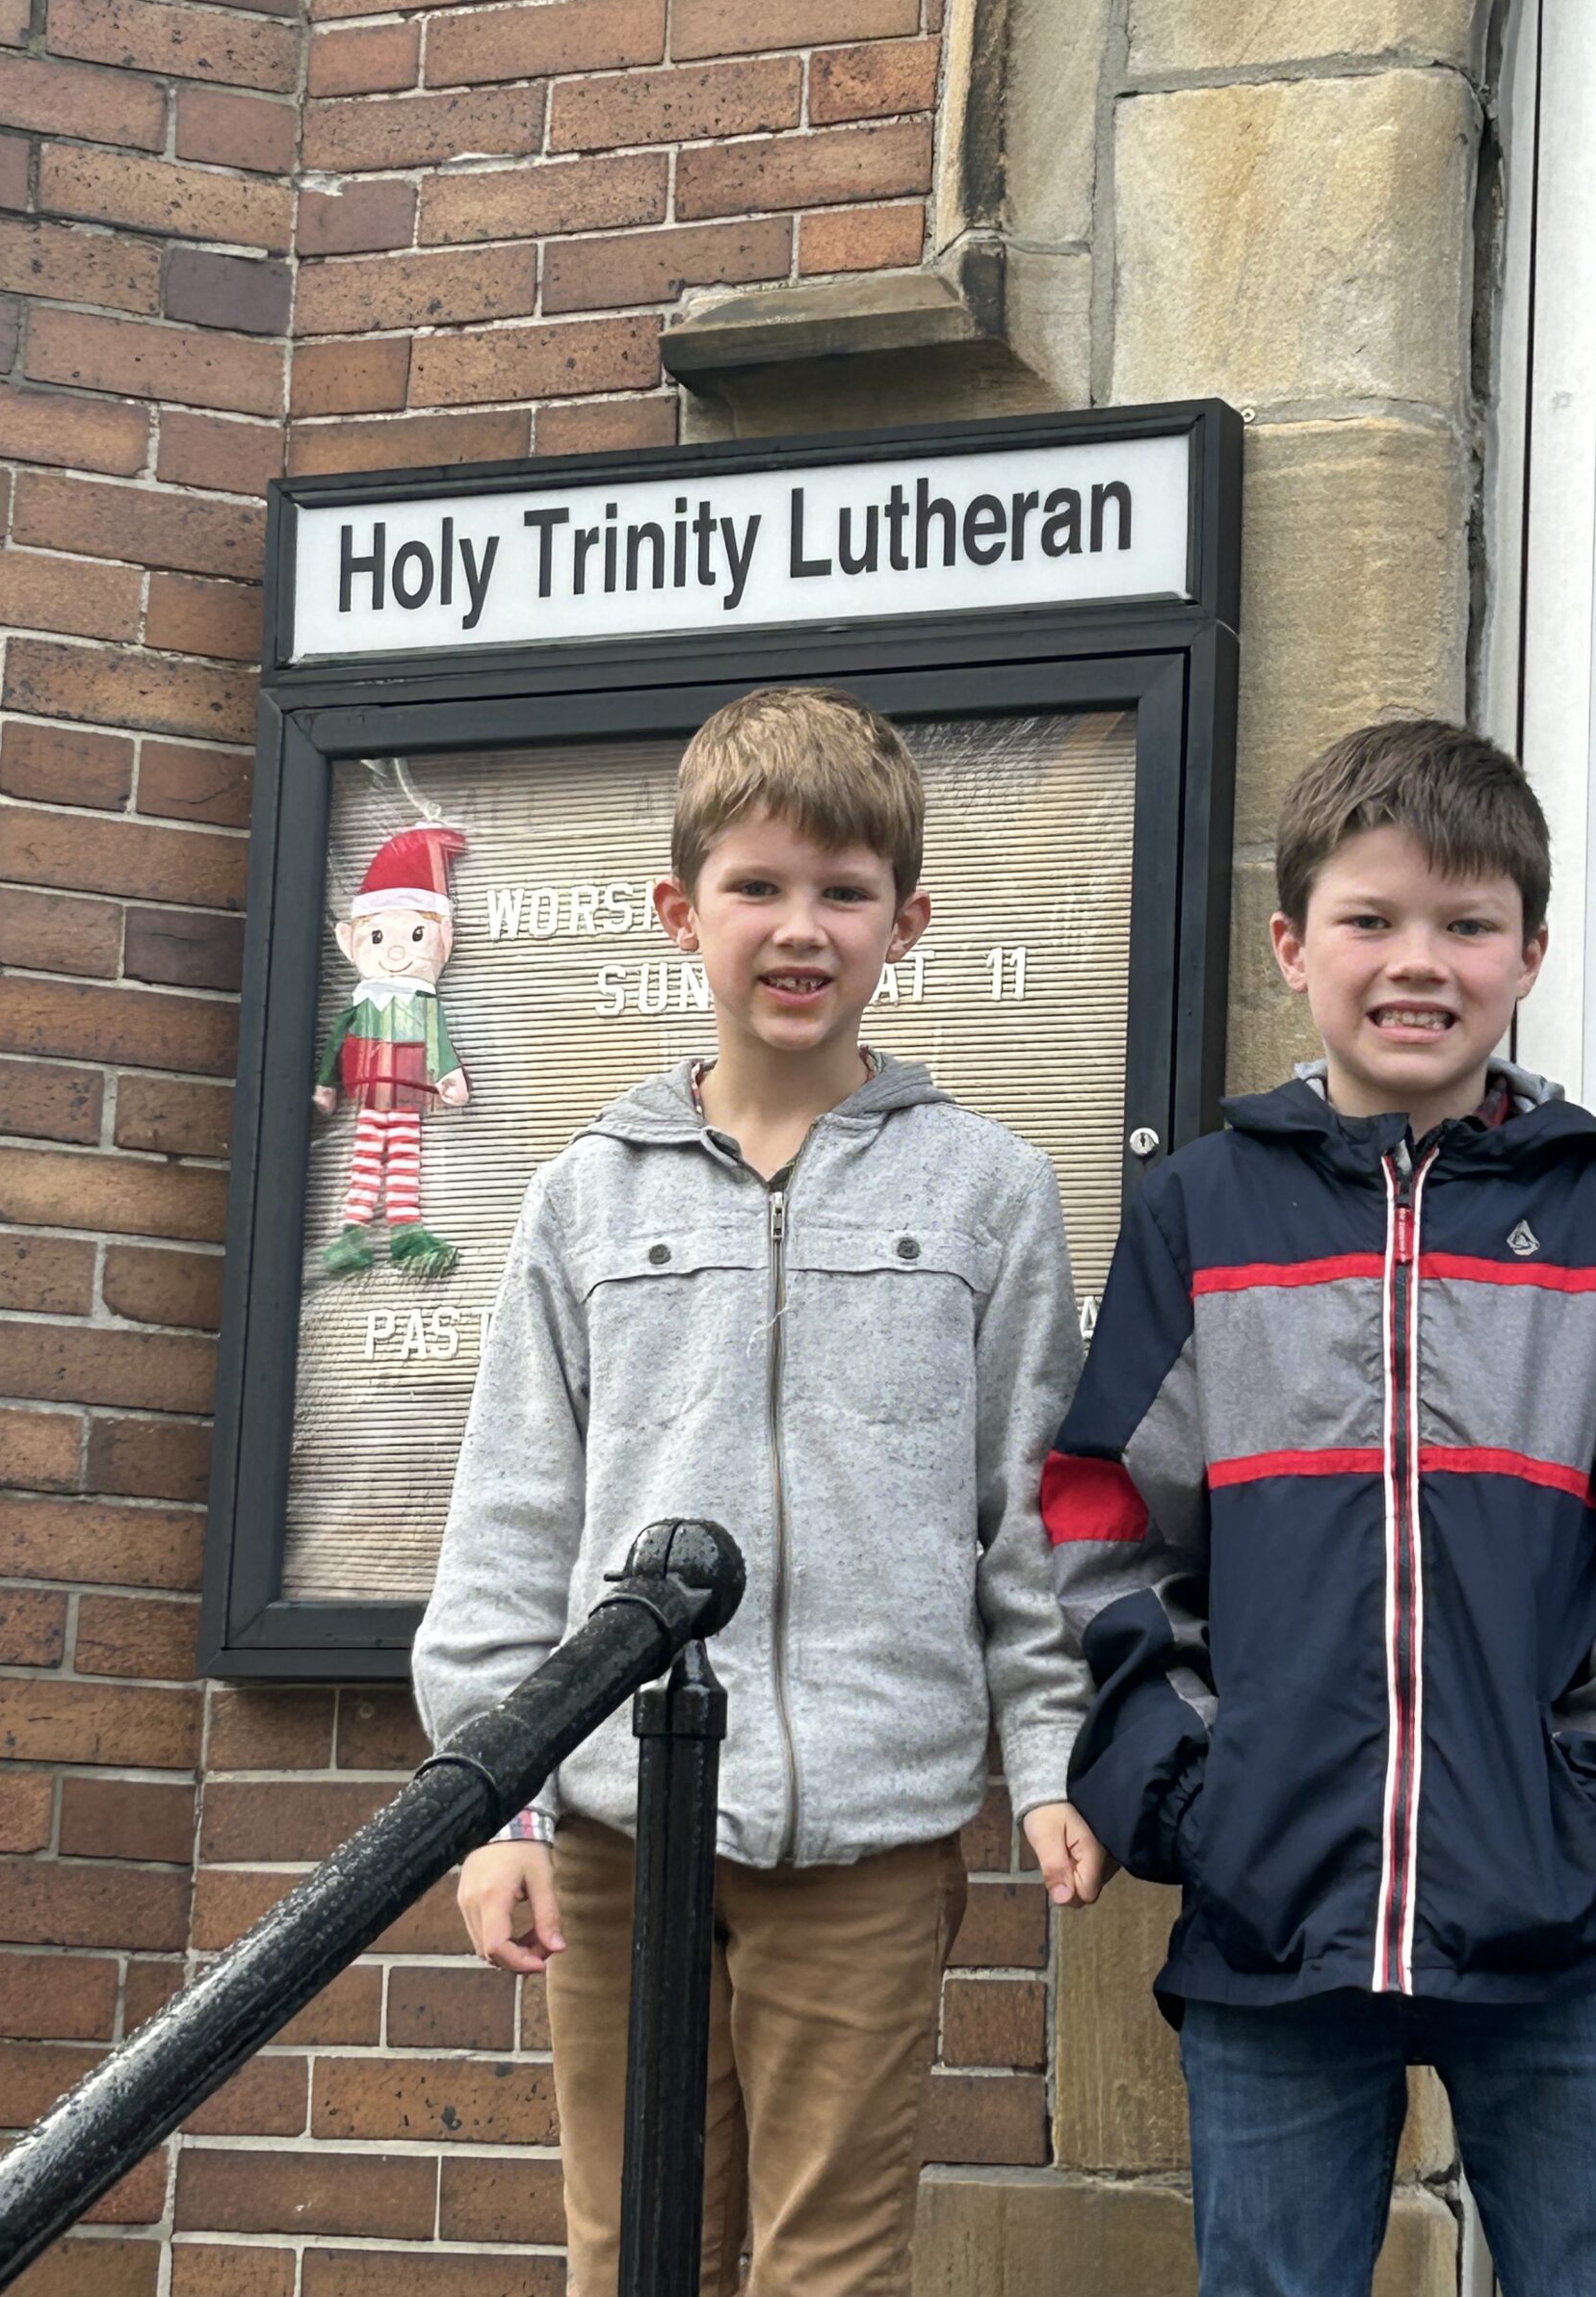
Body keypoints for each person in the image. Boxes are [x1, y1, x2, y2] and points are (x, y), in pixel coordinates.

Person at [414, 685, 1103, 2297]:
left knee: (829, 2271)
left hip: (870, 1835)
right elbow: (514, 1520)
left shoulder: (992, 1192)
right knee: (634, 2258)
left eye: (845, 891)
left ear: (905, 923)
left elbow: (1031, 1521)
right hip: (614, 1833)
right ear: (682, 912)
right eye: (759, 886)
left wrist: (1050, 1759)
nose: (802, 928)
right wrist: (498, 1806)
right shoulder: (583, 1198)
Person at [1043, 718, 1596, 2297]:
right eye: (1372, 918)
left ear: (1530, 955)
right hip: (1275, 1919)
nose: (1419, 962)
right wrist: (1192, 1793)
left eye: (1467, 924)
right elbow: (1104, 1531)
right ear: (1293, 944)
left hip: (1559, 1925)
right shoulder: (1201, 1212)